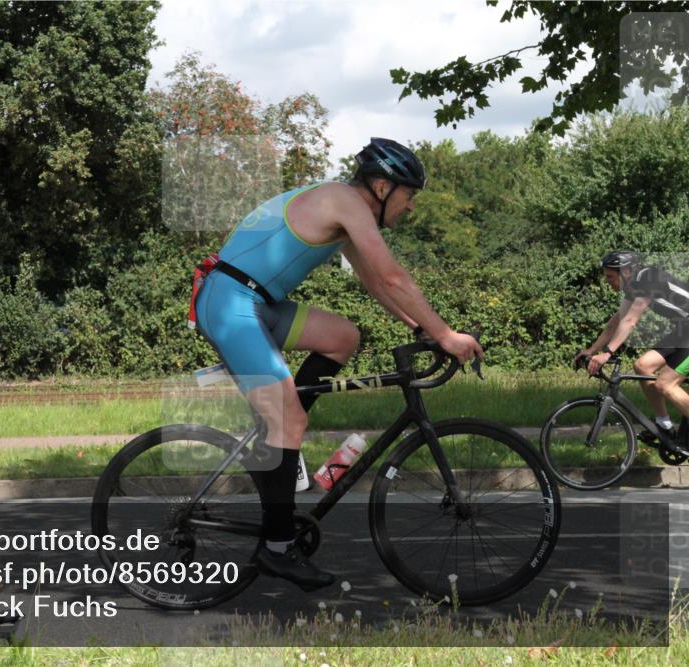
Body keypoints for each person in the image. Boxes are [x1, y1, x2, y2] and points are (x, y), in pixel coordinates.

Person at [189, 138, 483, 591]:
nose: (411, 208)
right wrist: (445, 335)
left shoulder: (347, 216)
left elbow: (375, 282)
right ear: (383, 187)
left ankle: (283, 429)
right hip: (231, 302)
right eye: (410, 196)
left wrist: (419, 327)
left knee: (343, 337)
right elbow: (393, 275)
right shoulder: (344, 201)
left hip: (259, 303)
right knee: (286, 419)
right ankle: (277, 549)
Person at [575, 250, 689, 451]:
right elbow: (616, 322)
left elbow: (630, 321)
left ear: (626, 271)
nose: (607, 281)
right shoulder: (633, 287)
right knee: (643, 366)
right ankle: (664, 426)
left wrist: (608, 353)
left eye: (610, 276)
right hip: (684, 329)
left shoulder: (648, 278)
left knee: (665, 384)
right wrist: (592, 350)